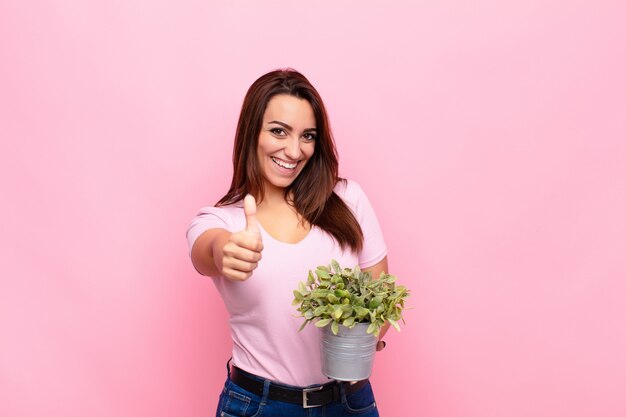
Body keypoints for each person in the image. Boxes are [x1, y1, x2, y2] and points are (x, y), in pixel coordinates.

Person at [187, 68, 389, 417]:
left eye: (307, 136)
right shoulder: (222, 221)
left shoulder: (347, 199)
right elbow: (207, 251)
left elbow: (381, 295)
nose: (294, 151)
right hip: (259, 406)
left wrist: (366, 336)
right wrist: (225, 251)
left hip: (348, 402)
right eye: (279, 131)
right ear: (252, 133)